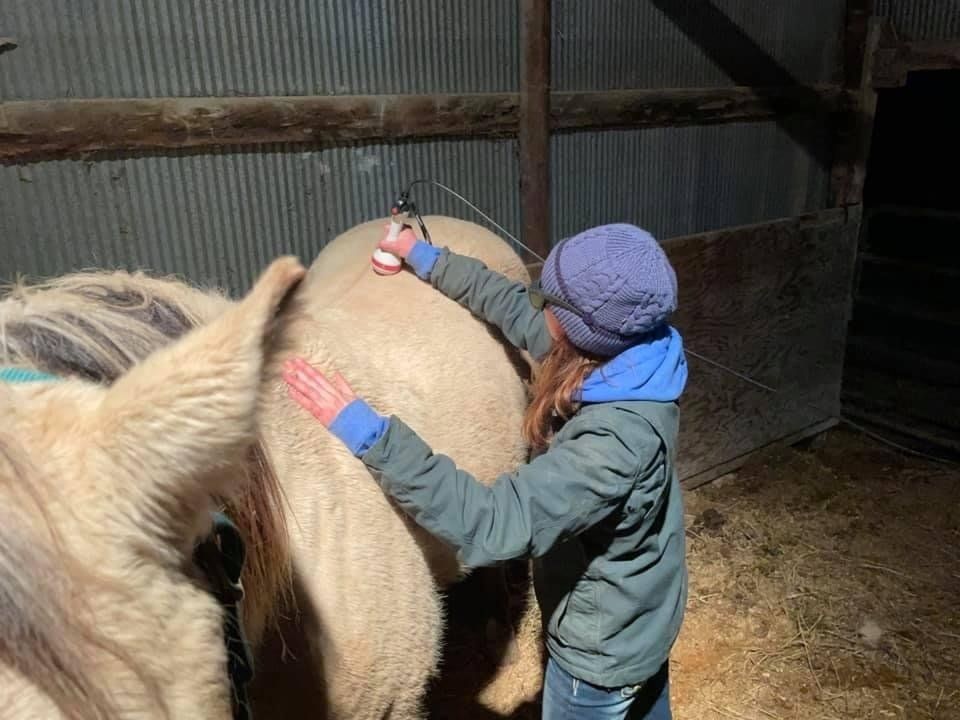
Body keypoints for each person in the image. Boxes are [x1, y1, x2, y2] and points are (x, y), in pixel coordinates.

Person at [282, 222, 688, 720]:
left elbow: (492, 522)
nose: (537, 306)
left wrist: (368, 430)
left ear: (580, 329)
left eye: (550, 303)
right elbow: (511, 304)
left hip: (600, 654)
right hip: (643, 614)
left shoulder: (614, 442)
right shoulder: (631, 360)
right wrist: (425, 257)